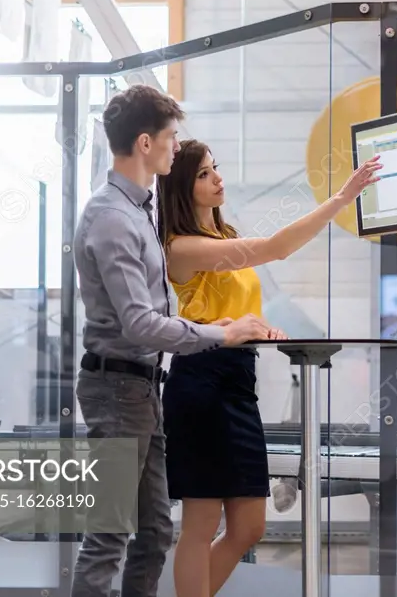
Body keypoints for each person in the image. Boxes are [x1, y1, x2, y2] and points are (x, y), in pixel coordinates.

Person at [154, 139, 382, 597]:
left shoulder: (223, 235)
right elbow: (277, 248)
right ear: (181, 187)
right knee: (201, 524)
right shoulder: (181, 247)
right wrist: (341, 199)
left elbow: (229, 308)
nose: (218, 178)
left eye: (214, 168)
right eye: (203, 174)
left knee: (249, 527)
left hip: (237, 381)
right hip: (201, 382)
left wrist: (257, 327)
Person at [71, 84, 273, 597]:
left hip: (142, 390)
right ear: (145, 143)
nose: (176, 147)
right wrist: (220, 332)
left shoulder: (140, 209)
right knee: (109, 536)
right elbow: (139, 323)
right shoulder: (113, 218)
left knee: (157, 531)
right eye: (171, 137)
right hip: (117, 389)